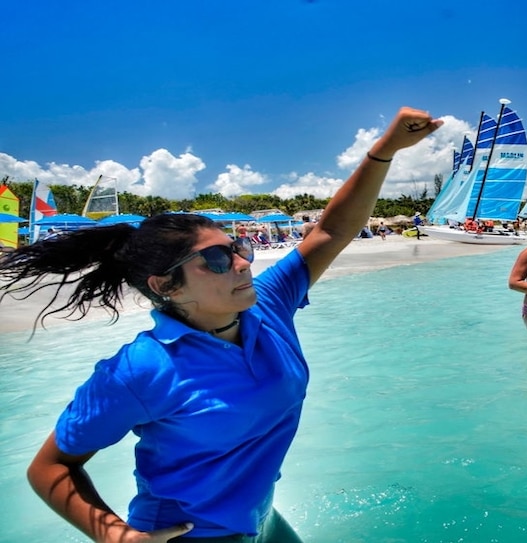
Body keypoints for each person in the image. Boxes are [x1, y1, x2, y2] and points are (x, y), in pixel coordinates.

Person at [0, 107, 441, 542]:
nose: (242, 264)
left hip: (260, 519)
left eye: (238, 247)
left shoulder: (265, 306)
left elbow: (331, 231)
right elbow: (50, 467)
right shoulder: (139, 370)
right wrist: (118, 537)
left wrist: (386, 150)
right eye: (215, 260)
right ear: (167, 285)